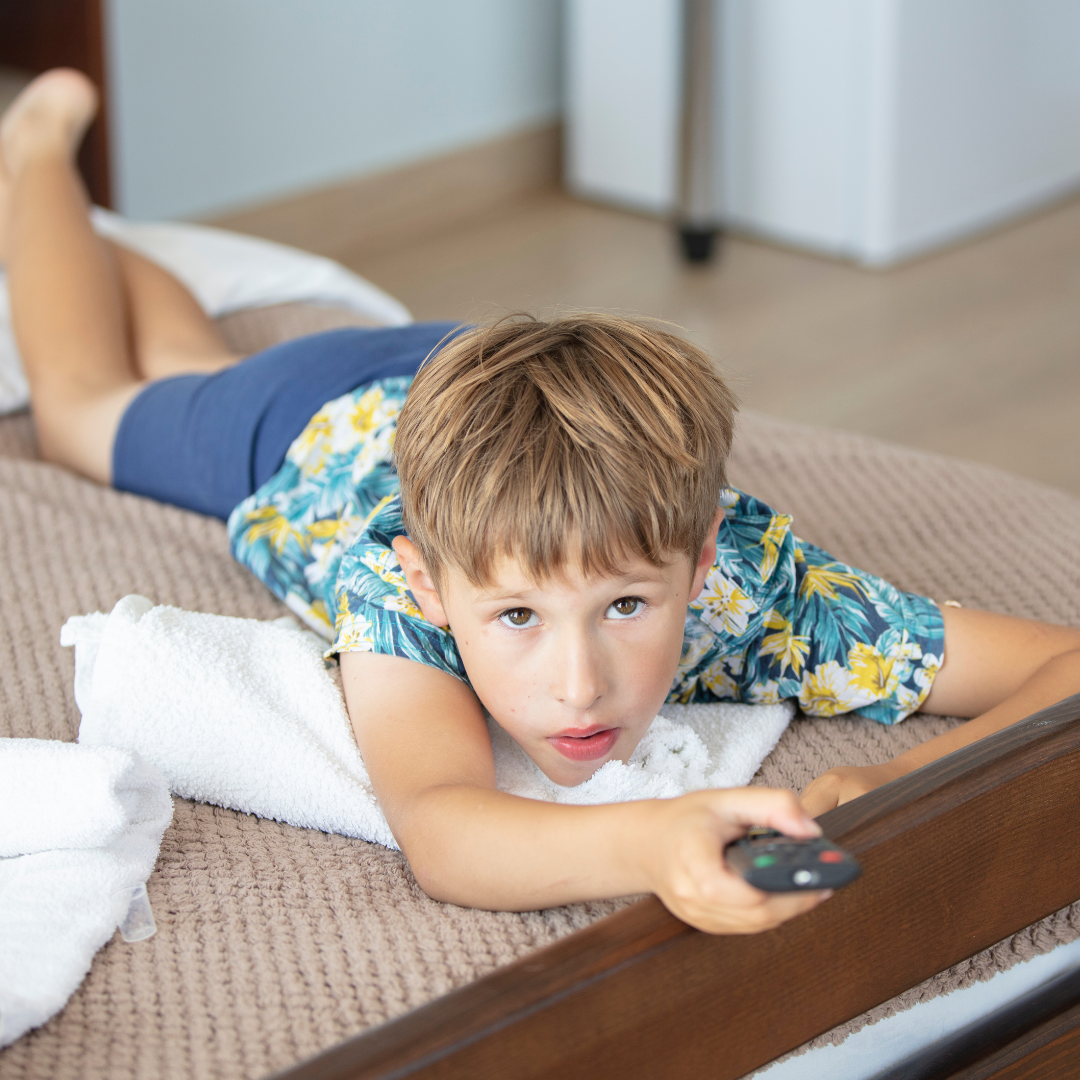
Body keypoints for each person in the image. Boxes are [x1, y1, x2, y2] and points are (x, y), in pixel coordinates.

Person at [5, 70, 1079, 935]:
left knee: (186, 362)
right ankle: (39, 144)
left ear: (702, 563)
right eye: (517, 618)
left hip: (470, 371)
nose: (580, 687)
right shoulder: (403, 580)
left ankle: (114, 244)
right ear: (433, 585)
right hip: (304, 415)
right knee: (86, 411)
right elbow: (445, 831)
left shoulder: (765, 587)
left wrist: (897, 776)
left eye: (625, 607)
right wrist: (651, 842)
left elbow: (1064, 663)